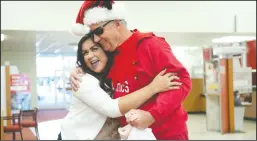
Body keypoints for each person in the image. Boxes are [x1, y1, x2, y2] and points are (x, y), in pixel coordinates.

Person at [70, 0, 192, 140]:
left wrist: (152, 115)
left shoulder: (150, 45)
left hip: (165, 134)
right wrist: (79, 69)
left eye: (98, 31)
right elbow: (93, 64)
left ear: (117, 23)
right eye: (93, 34)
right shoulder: (109, 53)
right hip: (129, 134)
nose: (96, 39)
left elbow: (182, 81)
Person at [59, 33, 181, 140]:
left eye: (94, 49)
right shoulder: (82, 80)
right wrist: (153, 87)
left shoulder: (111, 76)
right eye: (85, 53)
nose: (89, 56)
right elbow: (111, 108)